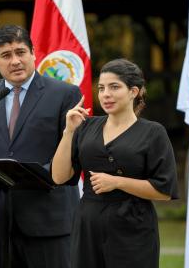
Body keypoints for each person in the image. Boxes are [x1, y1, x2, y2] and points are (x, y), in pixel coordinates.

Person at [0, 24, 82, 268]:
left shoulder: (64, 94)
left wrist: (28, 176)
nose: (15, 61)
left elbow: (73, 155)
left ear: (34, 53)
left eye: (21, 52)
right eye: (6, 55)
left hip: (49, 222)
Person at [52, 58, 178, 268]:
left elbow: (164, 191)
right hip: (88, 225)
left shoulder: (153, 132)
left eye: (114, 87)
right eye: (101, 88)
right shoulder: (86, 127)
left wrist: (118, 182)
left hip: (133, 228)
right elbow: (59, 176)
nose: (105, 94)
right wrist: (69, 132)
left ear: (133, 91)